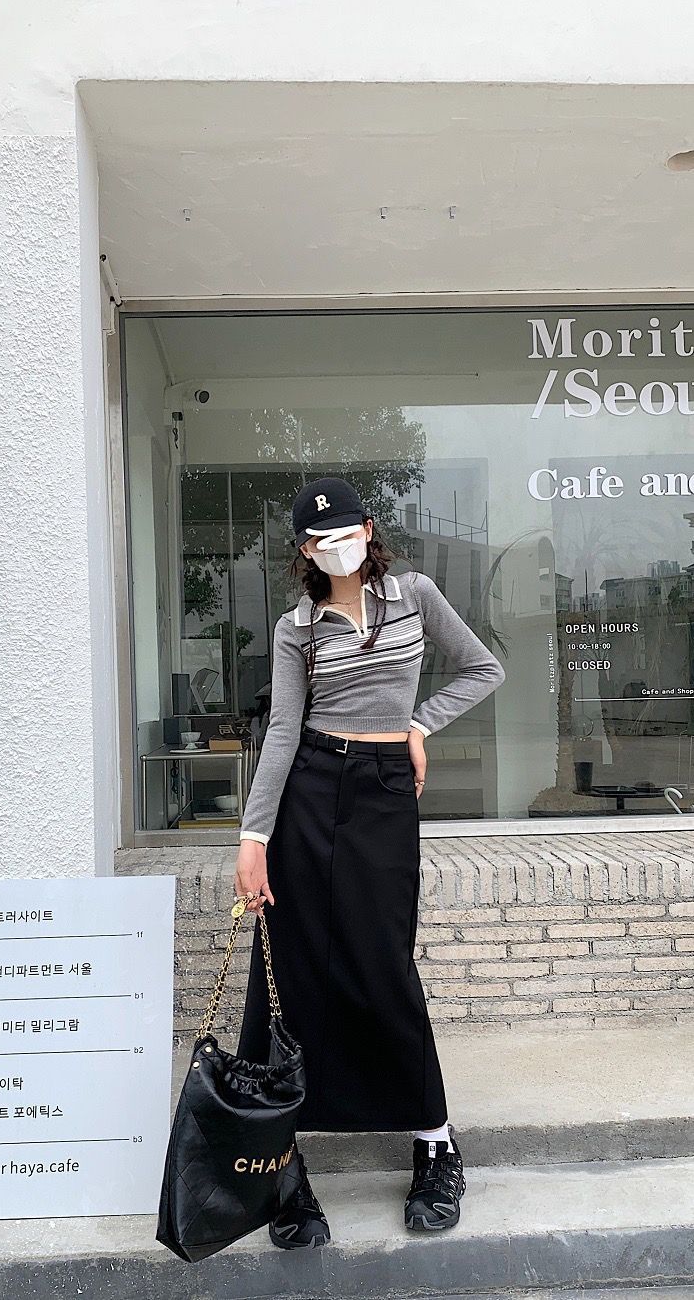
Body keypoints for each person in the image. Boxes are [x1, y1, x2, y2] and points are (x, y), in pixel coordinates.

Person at [233, 476, 505, 1247]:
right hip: (309, 790)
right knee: (290, 969)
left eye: (346, 532)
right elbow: (283, 730)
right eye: (320, 539)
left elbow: (483, 668)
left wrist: (418, 724)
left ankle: (435, 1143)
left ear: (369, 528)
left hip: (384, 793)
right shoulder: (296, 626)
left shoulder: (414, 594)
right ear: (304, 549)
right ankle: (280, 1160)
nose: (336, 547)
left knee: (384, 963)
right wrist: (253, 838)